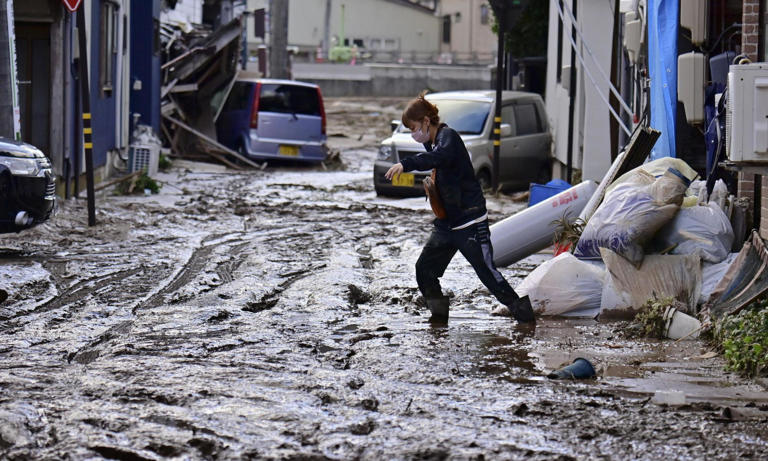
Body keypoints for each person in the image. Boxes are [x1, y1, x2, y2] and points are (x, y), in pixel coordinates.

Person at [385, 92, 535, 324]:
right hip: (447, 224)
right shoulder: (431, 141)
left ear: (426, 121)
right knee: (424, 269)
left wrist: (405, 164)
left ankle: (524, 317)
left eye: (414, 128)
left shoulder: (448, 138)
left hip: (471, 223)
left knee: (488, 273)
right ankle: (439, 318)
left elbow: (439, 158)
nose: (413, 134)